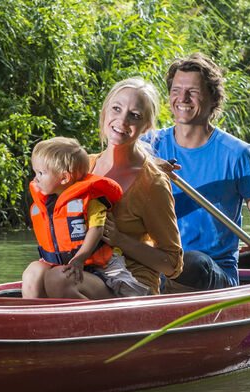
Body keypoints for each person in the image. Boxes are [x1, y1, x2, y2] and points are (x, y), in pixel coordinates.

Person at [143, 52, 250, 291]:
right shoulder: (148, 145)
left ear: (213, 97)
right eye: (176, 90)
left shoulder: (236, 153)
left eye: (193, 92)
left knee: (192, 261)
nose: (182, 98)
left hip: (212, 273)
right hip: (155, 267)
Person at [43, 77, 183, 297]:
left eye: (134, 116)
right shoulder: (83, 167)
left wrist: (118, 239)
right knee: (37, 273)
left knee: (59, 279)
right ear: (105, 111)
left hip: (131, 284)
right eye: (116, 109)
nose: (122, 120)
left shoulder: (152, 183)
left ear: (146, 125)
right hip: (86, 271)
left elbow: (172, 265)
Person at [21, 137, 149, 299]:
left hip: (102, 270)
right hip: (62, 266)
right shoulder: (47, 204)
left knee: (57, 278)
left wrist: (79, 259)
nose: (35, 179)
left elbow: (97, 230)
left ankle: (97, 316)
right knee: (33, 271)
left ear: (64, 178)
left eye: (41, 173)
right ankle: (34, 318)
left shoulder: (91, 200)